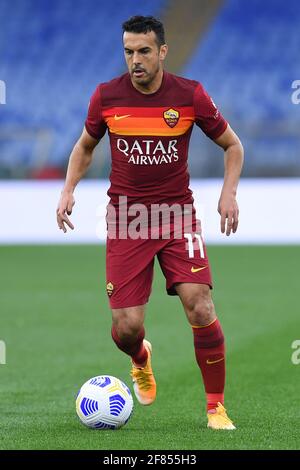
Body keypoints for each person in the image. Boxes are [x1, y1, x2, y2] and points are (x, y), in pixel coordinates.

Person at [57, 15, 244, 430]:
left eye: (143, 51)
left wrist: (228, 192)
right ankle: (141, 357)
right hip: (127, 221)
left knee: (200, 303)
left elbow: (233, 145)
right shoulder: (107, 97)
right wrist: (69, 188)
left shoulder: (191, 95)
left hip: (178, 217)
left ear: (161, 51)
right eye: (128, 52)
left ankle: (216, 408)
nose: (135, 60)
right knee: (126, 328)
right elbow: (84, 146)